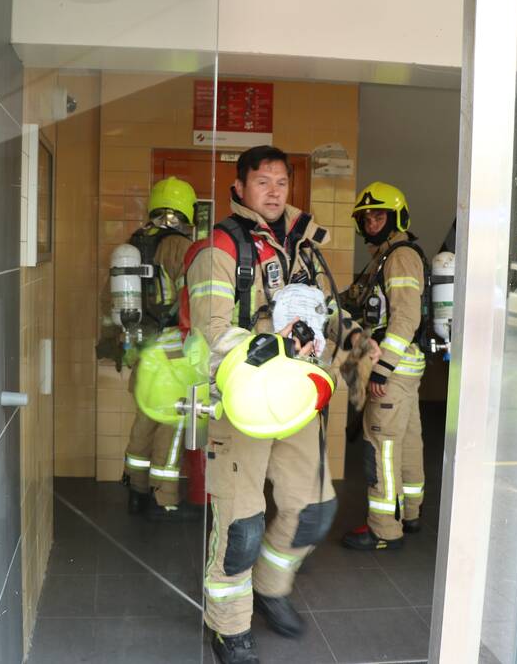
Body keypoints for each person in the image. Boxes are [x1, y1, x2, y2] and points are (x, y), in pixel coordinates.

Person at [183, 146, 371, 664]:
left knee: (312, 510)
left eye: (281, 182)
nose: (273, 191)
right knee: (242, 525)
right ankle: (229, 624)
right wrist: (278, 345)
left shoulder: (304, 248)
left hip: (296, 400)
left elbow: (325, 310)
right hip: (241, 401)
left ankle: (270, 588)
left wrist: (354, 340)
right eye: (261, 181)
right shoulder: (219, 249)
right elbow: (213, 333)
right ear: (239, 188)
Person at [107, 177, 201, 521]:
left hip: (139, 345)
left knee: (145, 417)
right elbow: (190, 298)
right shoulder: (178, 246)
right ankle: (167, 498)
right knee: (173, 420)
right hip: (172, 346)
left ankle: (137, 490)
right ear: (185, 209)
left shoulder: (133, 244)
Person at [340, 182, 427, 551]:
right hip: (406, 369)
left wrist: (381, 369)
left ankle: (382, 529)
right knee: (407, 442)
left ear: (396, 217)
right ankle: (410, 513)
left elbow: (405, 318)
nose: (372, 222)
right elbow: (357, 298)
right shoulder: (385, 256)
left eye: (379, 215)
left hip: (392, 368)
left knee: (381, 447)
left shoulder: (400, 257)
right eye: (367, 216)